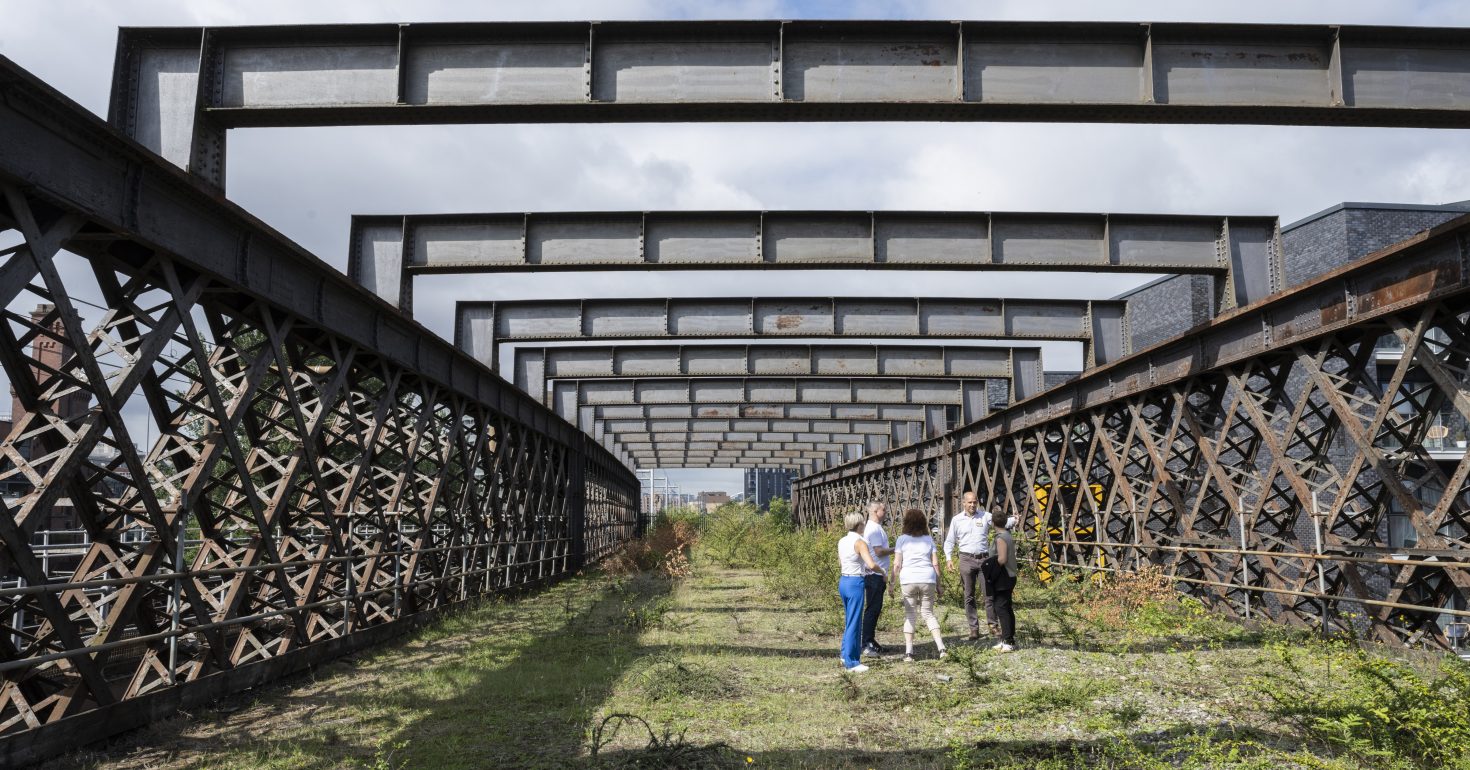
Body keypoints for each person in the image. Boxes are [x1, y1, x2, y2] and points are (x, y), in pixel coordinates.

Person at [891, 507, 947, 661]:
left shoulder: (901, 540)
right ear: (923, 523)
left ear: (906, 523)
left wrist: (891, 584)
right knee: (928, 614)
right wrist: (939, 585)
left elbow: (897, 564)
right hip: (927, 578)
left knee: (910, 614)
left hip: (908, 579)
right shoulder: (929, 540)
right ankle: (941, 648)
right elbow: (935, 564)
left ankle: (909, 652)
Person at [943, 491, 997, 640]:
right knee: (969, 596)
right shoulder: (957, 520)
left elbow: (1000, 522)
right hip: (966, 559)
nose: (973, 505)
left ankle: (993, 626)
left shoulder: (985, 516)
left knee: (989, 594)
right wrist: (948, 559)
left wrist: (1013, 520)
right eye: (970, 502)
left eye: (975, 502)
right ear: (964, 503)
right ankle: (974, 629)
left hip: (984, 559)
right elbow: (949, 542)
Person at [838, 510, 881, 672]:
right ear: (859, 525)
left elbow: (842, 563)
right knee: (855, 623)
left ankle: (844, 655)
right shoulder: (860, 542)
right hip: (856, 582)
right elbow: (871, 564)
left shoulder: (842, 541)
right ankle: (852, 662)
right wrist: (882, 572)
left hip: (844, 581)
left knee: (850, 621)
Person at [860, 501, 894, 656]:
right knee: (872, 610)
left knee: (875, 609)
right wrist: (897, 548)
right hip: (874, 575)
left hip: (877, 575)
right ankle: (866, 642)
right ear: (875, 511)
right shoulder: (873, 529)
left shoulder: (875, 527)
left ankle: (870, 640)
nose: (886, 512)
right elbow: (879, 551)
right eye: (883, 509)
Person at [986, 510, 1019, 652]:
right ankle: (1008, 638)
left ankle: (1008, 641)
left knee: (1001, 608)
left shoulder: (1000, 538)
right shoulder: (1008, 535)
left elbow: (1002, 559)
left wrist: (991, 570)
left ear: (993, 523)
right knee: (1007, 608)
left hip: (1003, 577)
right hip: (1010, 575)